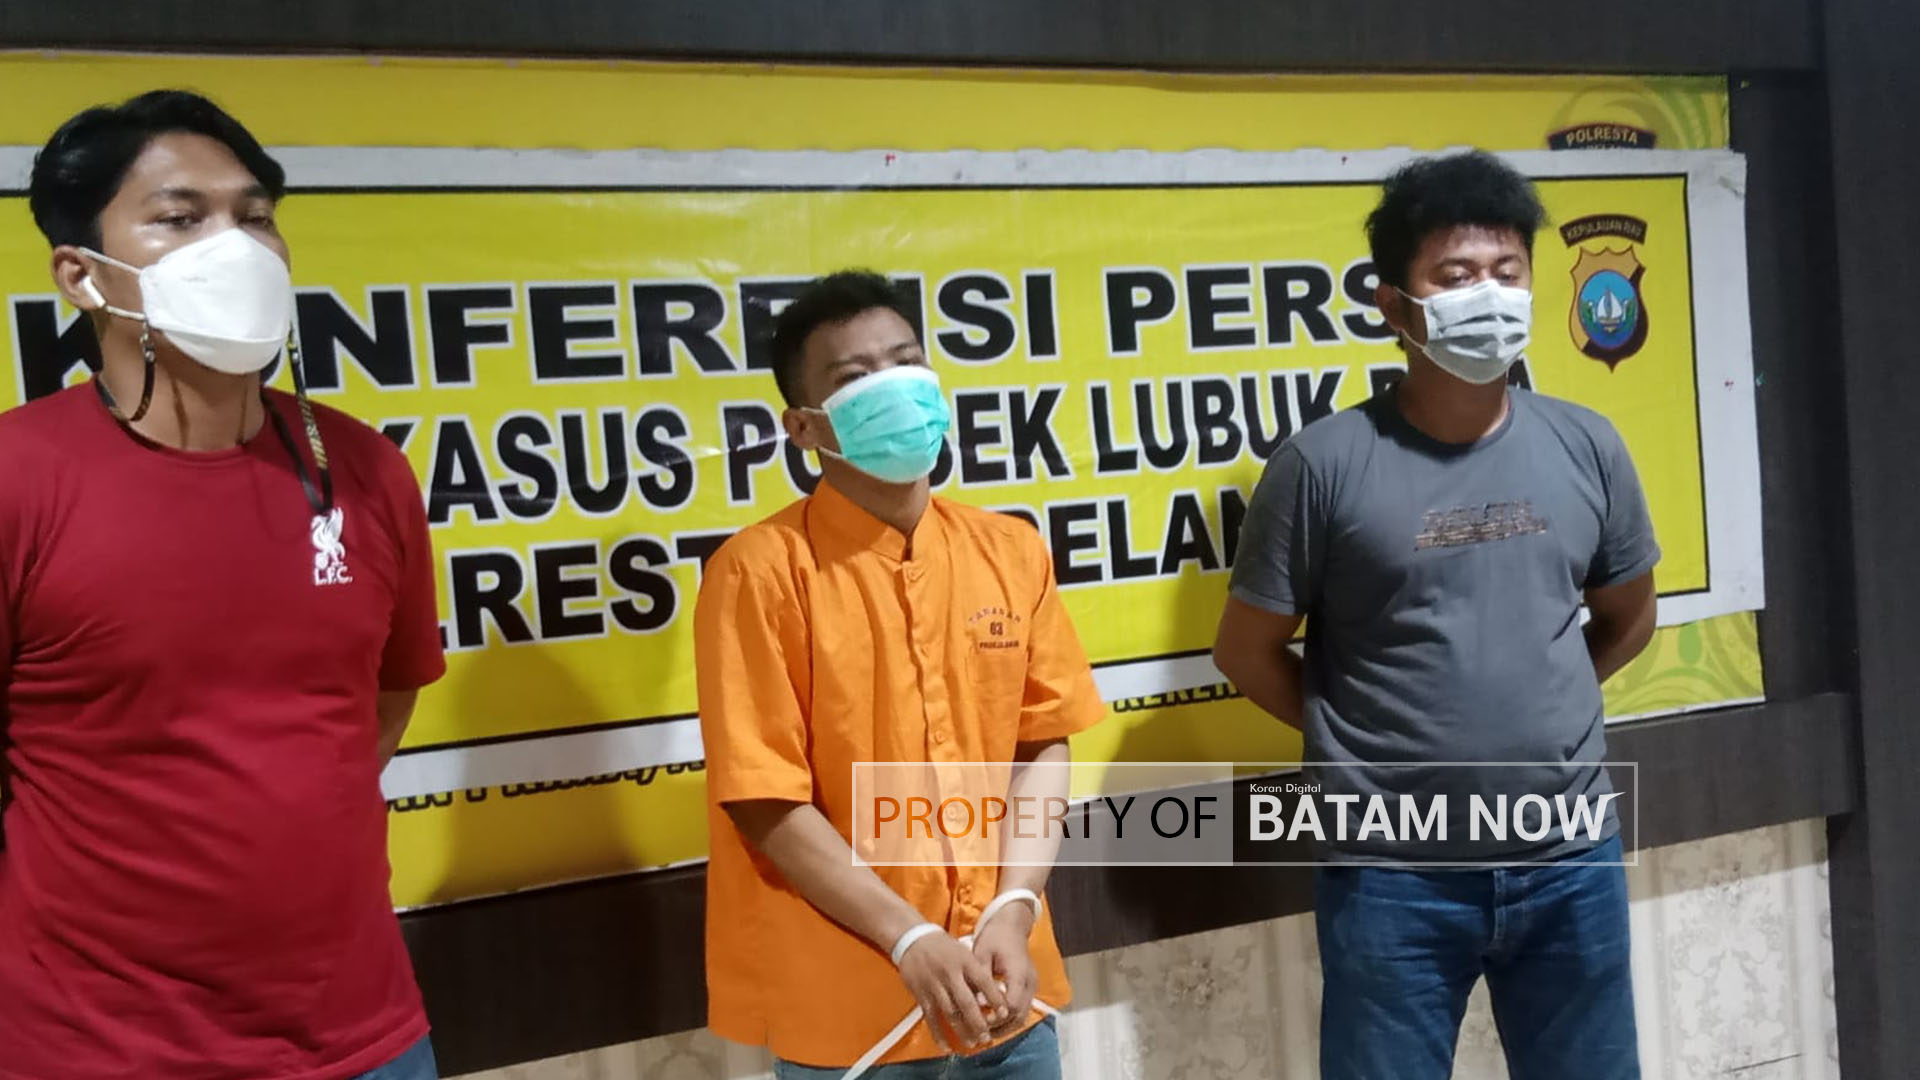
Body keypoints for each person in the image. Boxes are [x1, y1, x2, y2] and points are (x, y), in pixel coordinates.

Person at [0, 91, 446, 1080]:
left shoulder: (365, 470)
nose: (235, 247)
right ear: (81, 275)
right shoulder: (17, 477)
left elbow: (376, 702)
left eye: (255, 216)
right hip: (98, 1051)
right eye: (180, 217)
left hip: (367, 1036)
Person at [1212, 150, 1659, 1080]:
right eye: (1455, 276)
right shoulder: (1322, 465)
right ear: (1393, 305)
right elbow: (1247, 651)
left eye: (1506, 271)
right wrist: (1362, 736)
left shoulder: (1588, 444)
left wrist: (1539, 704)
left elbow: (1627, 615)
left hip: (1569, 858)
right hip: (1393, 876)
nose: (1487, 296)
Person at [695, 270, 1105, 1078]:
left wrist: (1014, 905)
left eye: (907, 363)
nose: (893, 388)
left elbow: (1040, 745)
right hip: (859, 1018)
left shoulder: (1010, 550)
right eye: (857, 377)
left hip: (1007, 994)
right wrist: (907, 936)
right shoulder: (759, 572)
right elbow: (764, 798)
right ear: (804, 426)